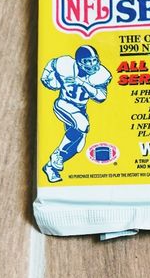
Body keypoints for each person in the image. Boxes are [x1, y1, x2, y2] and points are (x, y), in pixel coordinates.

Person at [41, 45, 112, 182]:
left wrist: (83, 83)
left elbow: (101, 97)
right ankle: (57, 155)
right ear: (79, 62)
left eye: (94, 60)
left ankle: (50, 167)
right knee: (83, 124)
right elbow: (52, 64)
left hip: (80, 109)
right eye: (88, 61)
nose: (92, 64)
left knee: (78, 146)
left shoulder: (101, 74)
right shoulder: (66, 64)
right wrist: (46, 77)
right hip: (63, 104)